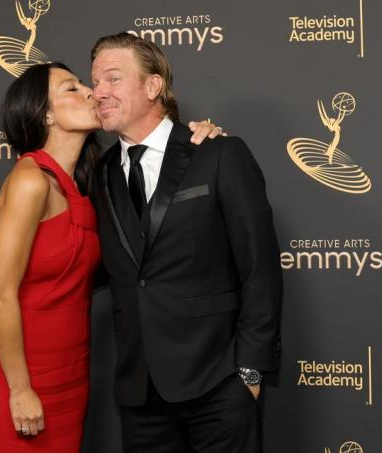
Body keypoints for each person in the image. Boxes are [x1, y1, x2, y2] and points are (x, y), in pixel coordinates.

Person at [0, 62, 222, 452]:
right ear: (46, 113)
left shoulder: (90, 185)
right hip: (21, 374)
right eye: (71, 88)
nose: (90, 92)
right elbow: (0, 294)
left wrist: (196, 136)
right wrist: (20, 389)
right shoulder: (29, 179)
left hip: (71, 373)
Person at [91, 33, 283, 452]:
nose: (98, 92)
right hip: (139, 393)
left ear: (153, 86)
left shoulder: (216, 153)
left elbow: (260, 268)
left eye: (113, 79)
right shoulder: (101, 173)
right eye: (95, 82)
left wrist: (249, 373)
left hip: (217, 382)